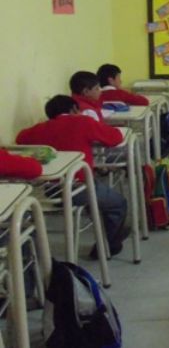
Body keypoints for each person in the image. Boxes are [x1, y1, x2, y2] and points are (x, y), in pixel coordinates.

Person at [16, 95, 129, 259]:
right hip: (79, 188)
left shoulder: (41, 128)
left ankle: (106, 230)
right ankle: (108, 246)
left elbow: (20, 138)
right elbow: (115, 137)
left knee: (98, 199)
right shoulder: (83, 122)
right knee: (118, 204)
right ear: (74, 109)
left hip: (49, 190)